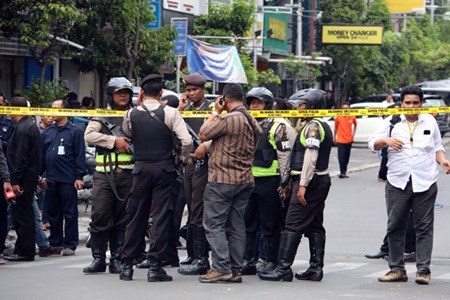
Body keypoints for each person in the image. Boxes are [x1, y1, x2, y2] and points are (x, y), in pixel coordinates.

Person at [369, 85, 450, 285]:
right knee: (395, 225)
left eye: (415, 103)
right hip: (398, 181)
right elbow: (373, 143)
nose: (411, 106)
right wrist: (386, 140)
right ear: (401, 103)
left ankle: (423, 270)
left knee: (424, 227)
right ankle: (397, 269)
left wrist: (443, 160)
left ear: (421, 104)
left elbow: (437, 147)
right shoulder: (392, 121)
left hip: (425, 181)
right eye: (407, 102)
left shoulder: (430, 121)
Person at [119, 74, 192, 282]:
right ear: (161, 93)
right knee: (160, 217)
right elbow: (186, 141)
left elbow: (128, 134)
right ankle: (155, 267)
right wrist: (184, 159)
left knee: (136, 216)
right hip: (164, 170)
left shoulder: (130, 114)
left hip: (140, 169)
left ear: (141, 93)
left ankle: (126, 266)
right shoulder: (170, 112)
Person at [259, 89, 333, 282]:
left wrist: (303, 185)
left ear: (312, 107)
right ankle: (316, 269)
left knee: (292, 224)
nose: (298, 109)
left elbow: (310, 157)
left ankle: (283, 269)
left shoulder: (313, 127)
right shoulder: (315, 124)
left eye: (302, 105)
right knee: (315, 225)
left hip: (310, 182)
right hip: (318, 181)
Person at [197, 83, 262, 283]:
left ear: (225, 98)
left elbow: (204, 133)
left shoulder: (228, 118)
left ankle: (220, 267)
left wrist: (216, 112)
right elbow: (258, 132)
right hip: (244, 180)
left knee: (213, 224)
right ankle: (236, 269)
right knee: (236, 225)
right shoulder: (250, 119)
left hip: (222, 180)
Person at [241, 87, 296, 275]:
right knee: (248, 223)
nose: (255, 106)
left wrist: (284, 181)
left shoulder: (277, 126)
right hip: (248, 181)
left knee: (270, 224)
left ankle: (272, 262)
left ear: (267, 104)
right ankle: (248, 261)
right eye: (252, 103)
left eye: (259, 103)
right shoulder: (245, 123)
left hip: (269, 182)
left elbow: (284, 155)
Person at [83, 77, 134, 274]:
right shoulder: (100, 116)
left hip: (128, 175)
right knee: (100, 216)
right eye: (118, 92)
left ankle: (117, 259)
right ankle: (98, 259)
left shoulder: (134, 115)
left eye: (126, 92)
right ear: (110, 95)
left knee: (123, 219)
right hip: (104, 177)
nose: (123, 95)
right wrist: (113, 141)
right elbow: (89, 136)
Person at [40, 99, 86, 256]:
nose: (52, 111)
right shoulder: (48, 131)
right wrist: (40, 176)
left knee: (70, 212)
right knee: (53, 212)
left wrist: (79, 176)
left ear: (65, 111)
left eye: (55, 108)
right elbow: (42, 155)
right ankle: (55, 242)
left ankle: (70, 244)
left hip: (68, 178)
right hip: (50, 178)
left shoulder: (75, 131)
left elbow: (80, 155)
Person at [177, 73, 212, 276]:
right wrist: (180, 109)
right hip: (187, 166)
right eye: (188, 90)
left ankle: (201, 259)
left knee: (198, 210)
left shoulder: (210, 110)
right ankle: (192, 254)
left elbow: (217, 134)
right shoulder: (187, 110)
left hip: (203, 165)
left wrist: (205, 146)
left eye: (194, 90)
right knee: (191, 209)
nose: (190, 94)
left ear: (202, 90)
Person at [3, 97, 41, 262]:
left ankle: (25, 252)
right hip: (28, 178)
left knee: (23, 216)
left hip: (22, 181)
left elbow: (21, 157)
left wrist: (15, 181)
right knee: (23, 215)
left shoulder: (23, 128)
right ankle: (23, 249)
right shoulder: (28, 125)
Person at [334, 102, 357, 178]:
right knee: (341, 156)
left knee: (347, 156)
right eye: (343, 109)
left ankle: (344, 170)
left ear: (349, 109)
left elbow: (355, 125)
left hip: (349, 139)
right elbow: (336, 128)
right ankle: (342, 172)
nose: (345, 110)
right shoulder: (338, 117)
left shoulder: (352, 116)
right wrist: (334, 137)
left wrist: (353, 135)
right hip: (340, 140)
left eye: (346, 109)